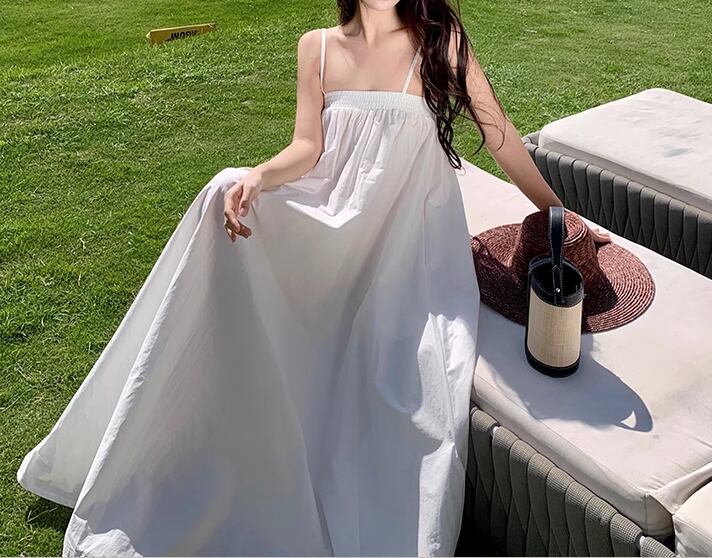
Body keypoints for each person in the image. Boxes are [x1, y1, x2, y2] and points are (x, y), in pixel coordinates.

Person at [17, 1, 612, 556]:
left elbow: (499, 134)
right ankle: (179, 419)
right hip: (332, 218)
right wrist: (259, 175)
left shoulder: (441, 40)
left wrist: (558, 214)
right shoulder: (317, 47)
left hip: (405, 244)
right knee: (224, 189)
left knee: (404, 392)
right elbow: (307, 148)